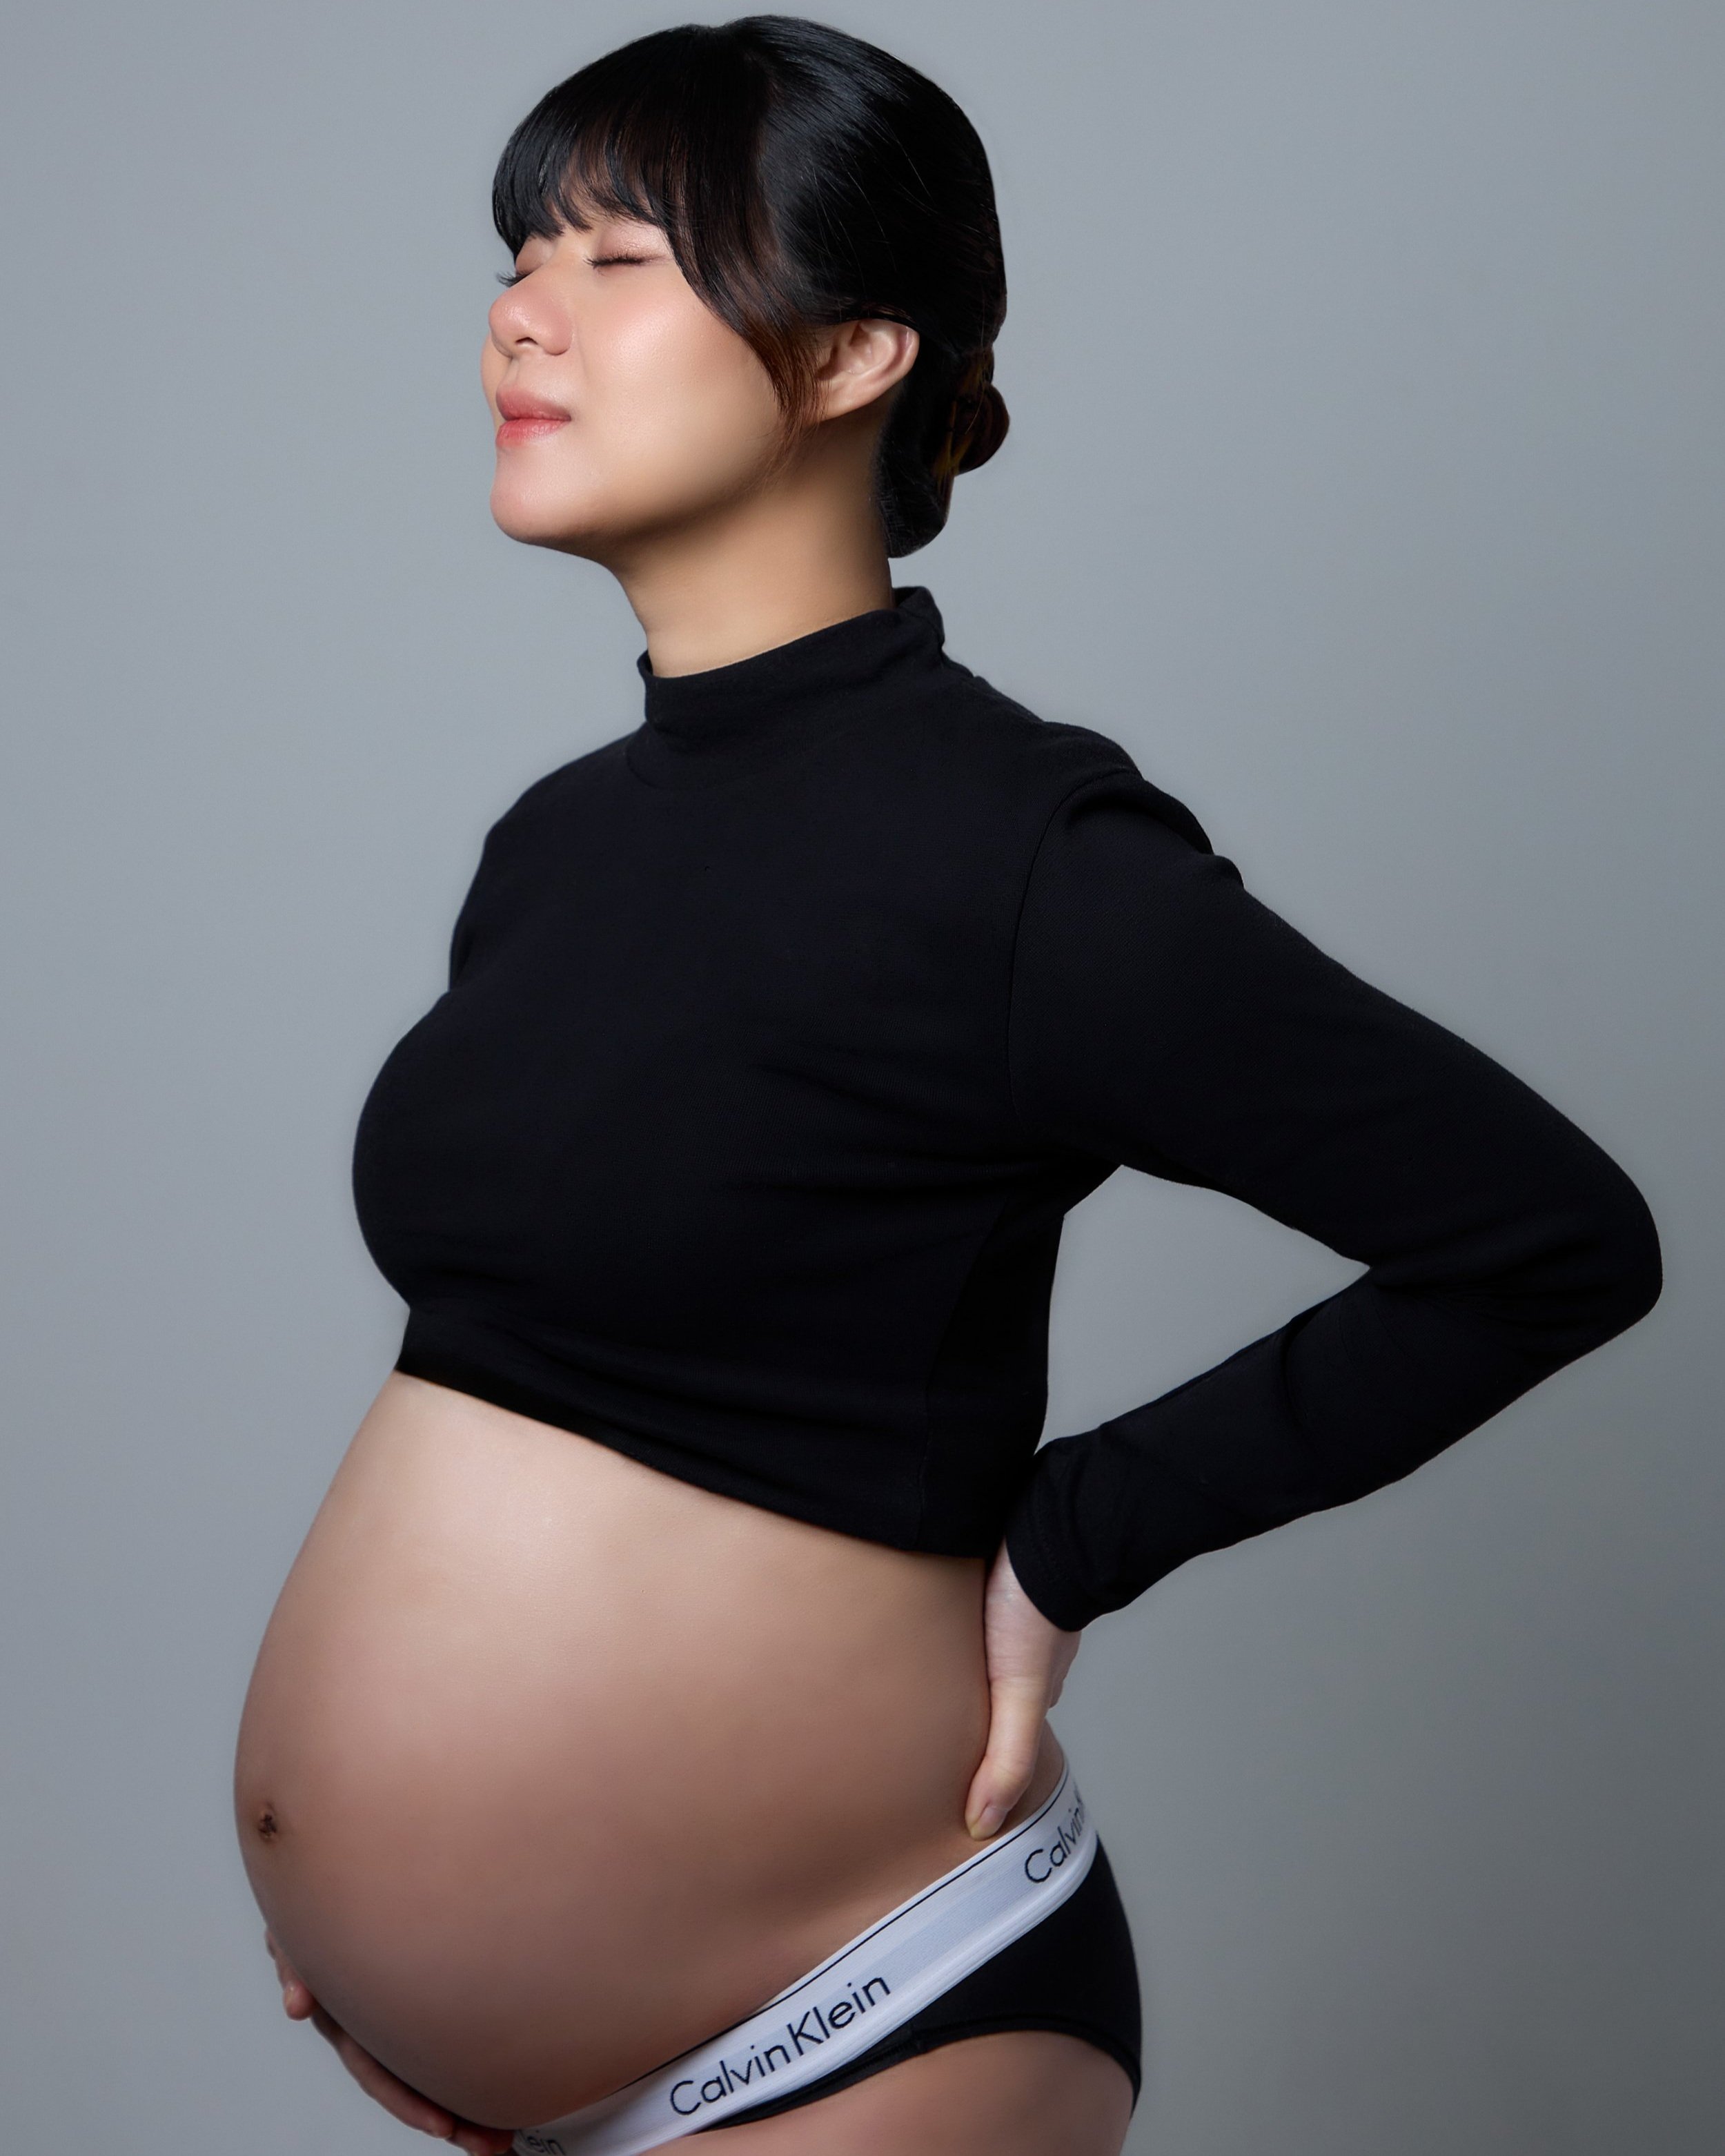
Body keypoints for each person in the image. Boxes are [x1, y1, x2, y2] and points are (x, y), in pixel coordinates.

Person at [232, 18, 1662, 2155]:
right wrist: (407, 1927)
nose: (519, 310)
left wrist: (1080, 1533)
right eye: (520, 249)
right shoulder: (555, 842)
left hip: (868, 2022)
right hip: (490, 2067)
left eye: (618, 260)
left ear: (849, 354)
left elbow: (1548, 1242)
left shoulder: (1024, 865)